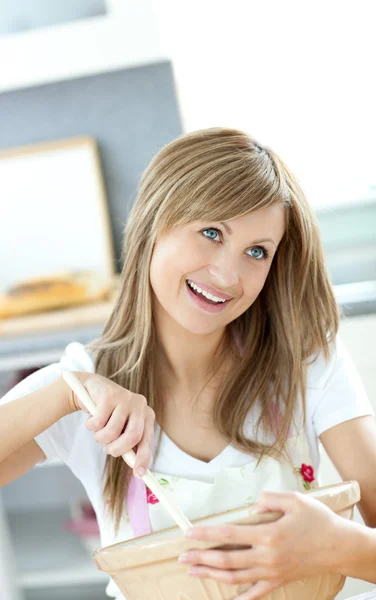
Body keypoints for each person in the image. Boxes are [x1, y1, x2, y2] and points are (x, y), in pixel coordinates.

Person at [1, 128, 375, 600]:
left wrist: (339, 547)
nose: (228, 275)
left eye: (257, 252)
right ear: (154, 221)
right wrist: (65, 394)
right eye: (211, 232)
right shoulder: (84, 389)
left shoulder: (305, 363)